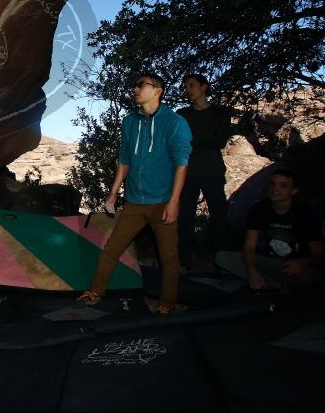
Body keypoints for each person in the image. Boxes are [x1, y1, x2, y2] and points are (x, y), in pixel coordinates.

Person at [77, 73, 192, 314]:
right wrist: (112, 194)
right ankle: (94, 292)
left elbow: (182, 162)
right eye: (135, 85)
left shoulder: (174, 122)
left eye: (142, 85)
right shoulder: (129, 122)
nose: (135, 89)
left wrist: (174, 201)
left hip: (162, 202)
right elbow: (124, 159)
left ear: (158, 90)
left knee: (168, 256)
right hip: (134, 202)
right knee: (112, 248)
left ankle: (166, 304)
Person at [215, 169, 325, 292]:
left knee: (310, 277)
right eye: (272, 184)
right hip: (272, 263)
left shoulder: (305, 214)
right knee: (223, 257)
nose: (275, 189)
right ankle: (274, 284)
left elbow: (319, 254)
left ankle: (273, 285)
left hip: (296, 267)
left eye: (283, 186)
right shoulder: (259, 209)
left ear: (293, 191)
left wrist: (302, 263)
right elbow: (249, 246)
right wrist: (251, 271)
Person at [177, 73, 231, 267]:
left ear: (204, 87)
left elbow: (220, 141)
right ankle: (183, 262)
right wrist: (205, 137)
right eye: (185, 86)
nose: (188, 90)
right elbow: (178, 141)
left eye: (191, 85)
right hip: (187, 174)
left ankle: (223, 261)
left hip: (213, 172)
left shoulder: (220, 113)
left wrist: (192, 139)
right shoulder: (182, 114)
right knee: (184, 219)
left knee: (219, 217)